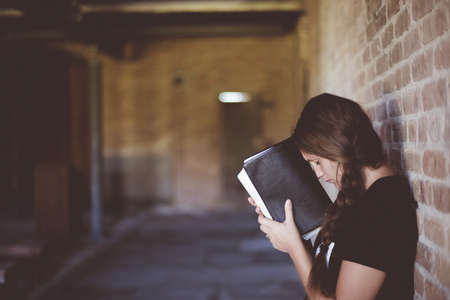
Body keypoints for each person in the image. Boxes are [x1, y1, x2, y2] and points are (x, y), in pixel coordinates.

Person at [247, 93, 418, 300]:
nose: (318, 173)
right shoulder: (357, 192)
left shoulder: (382, 208)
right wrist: (282, 220)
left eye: (317, 162)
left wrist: (294, 248)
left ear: (336, 147)